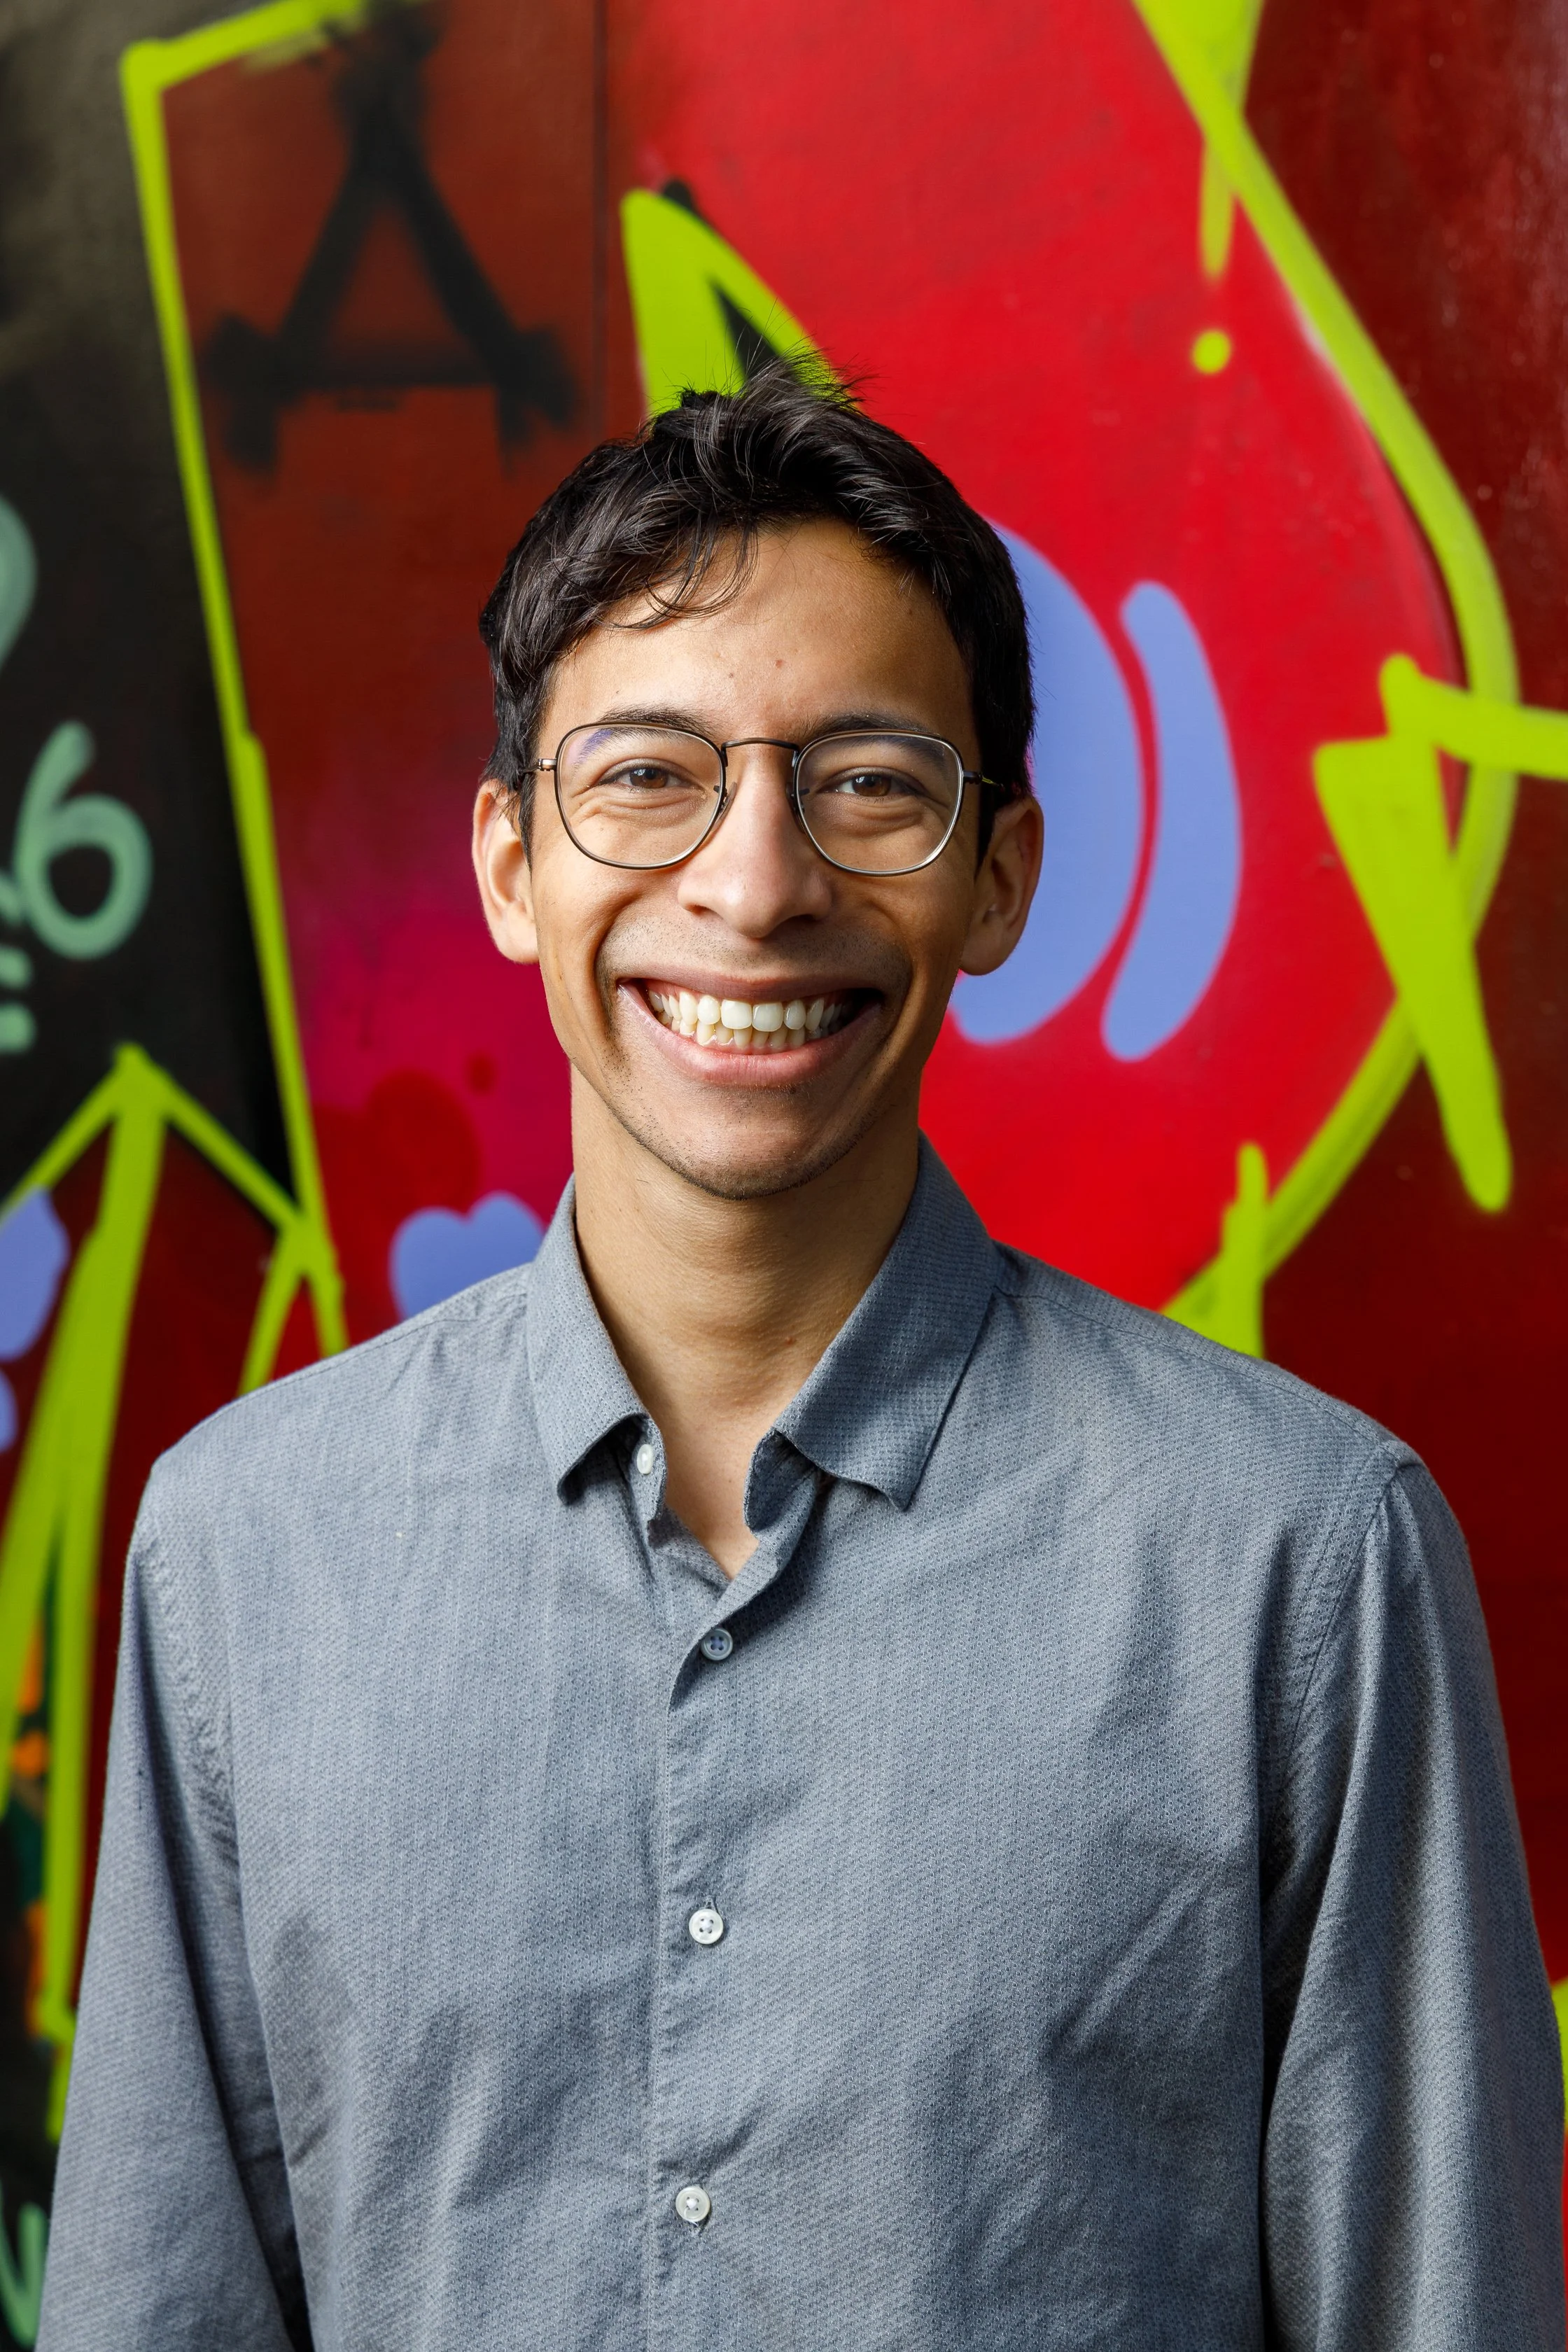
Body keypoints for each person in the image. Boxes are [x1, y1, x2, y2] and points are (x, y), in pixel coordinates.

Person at [39, 369, 1563, 2349]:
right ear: (511, 864)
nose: (755, 887)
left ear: (999, 873)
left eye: (868, 781)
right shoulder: (244, 1549)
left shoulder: (1300, 1560)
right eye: (647, 776)